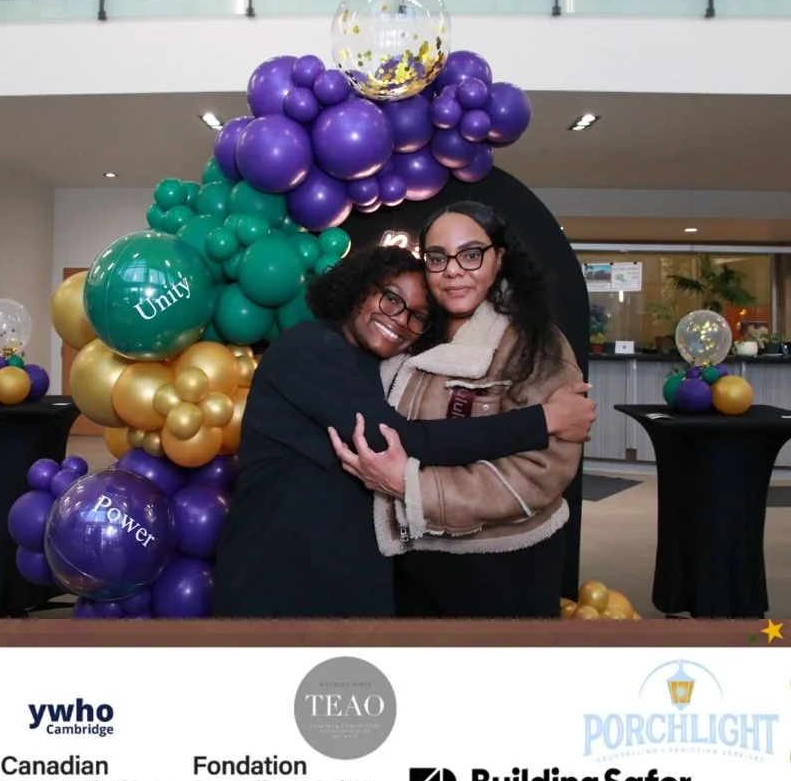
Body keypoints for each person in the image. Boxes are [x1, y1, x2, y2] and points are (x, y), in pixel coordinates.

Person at [212, 244, 595, 617]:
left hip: (343, 581)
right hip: (275, 581)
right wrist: (545, 420)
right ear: (360, 289)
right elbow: (401, 440)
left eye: (417, 316)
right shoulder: (309, 348)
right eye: (392, 299)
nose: (400, 320)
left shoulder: (379, 369)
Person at [329, 202, 590, 617]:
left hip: (499, 567)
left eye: (470, 255)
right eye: (438, 258)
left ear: (498, 258)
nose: (453, 270)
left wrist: (411, 487)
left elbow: (539, 472)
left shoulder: (535, 344)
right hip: (408, 561)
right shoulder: (407, 333)